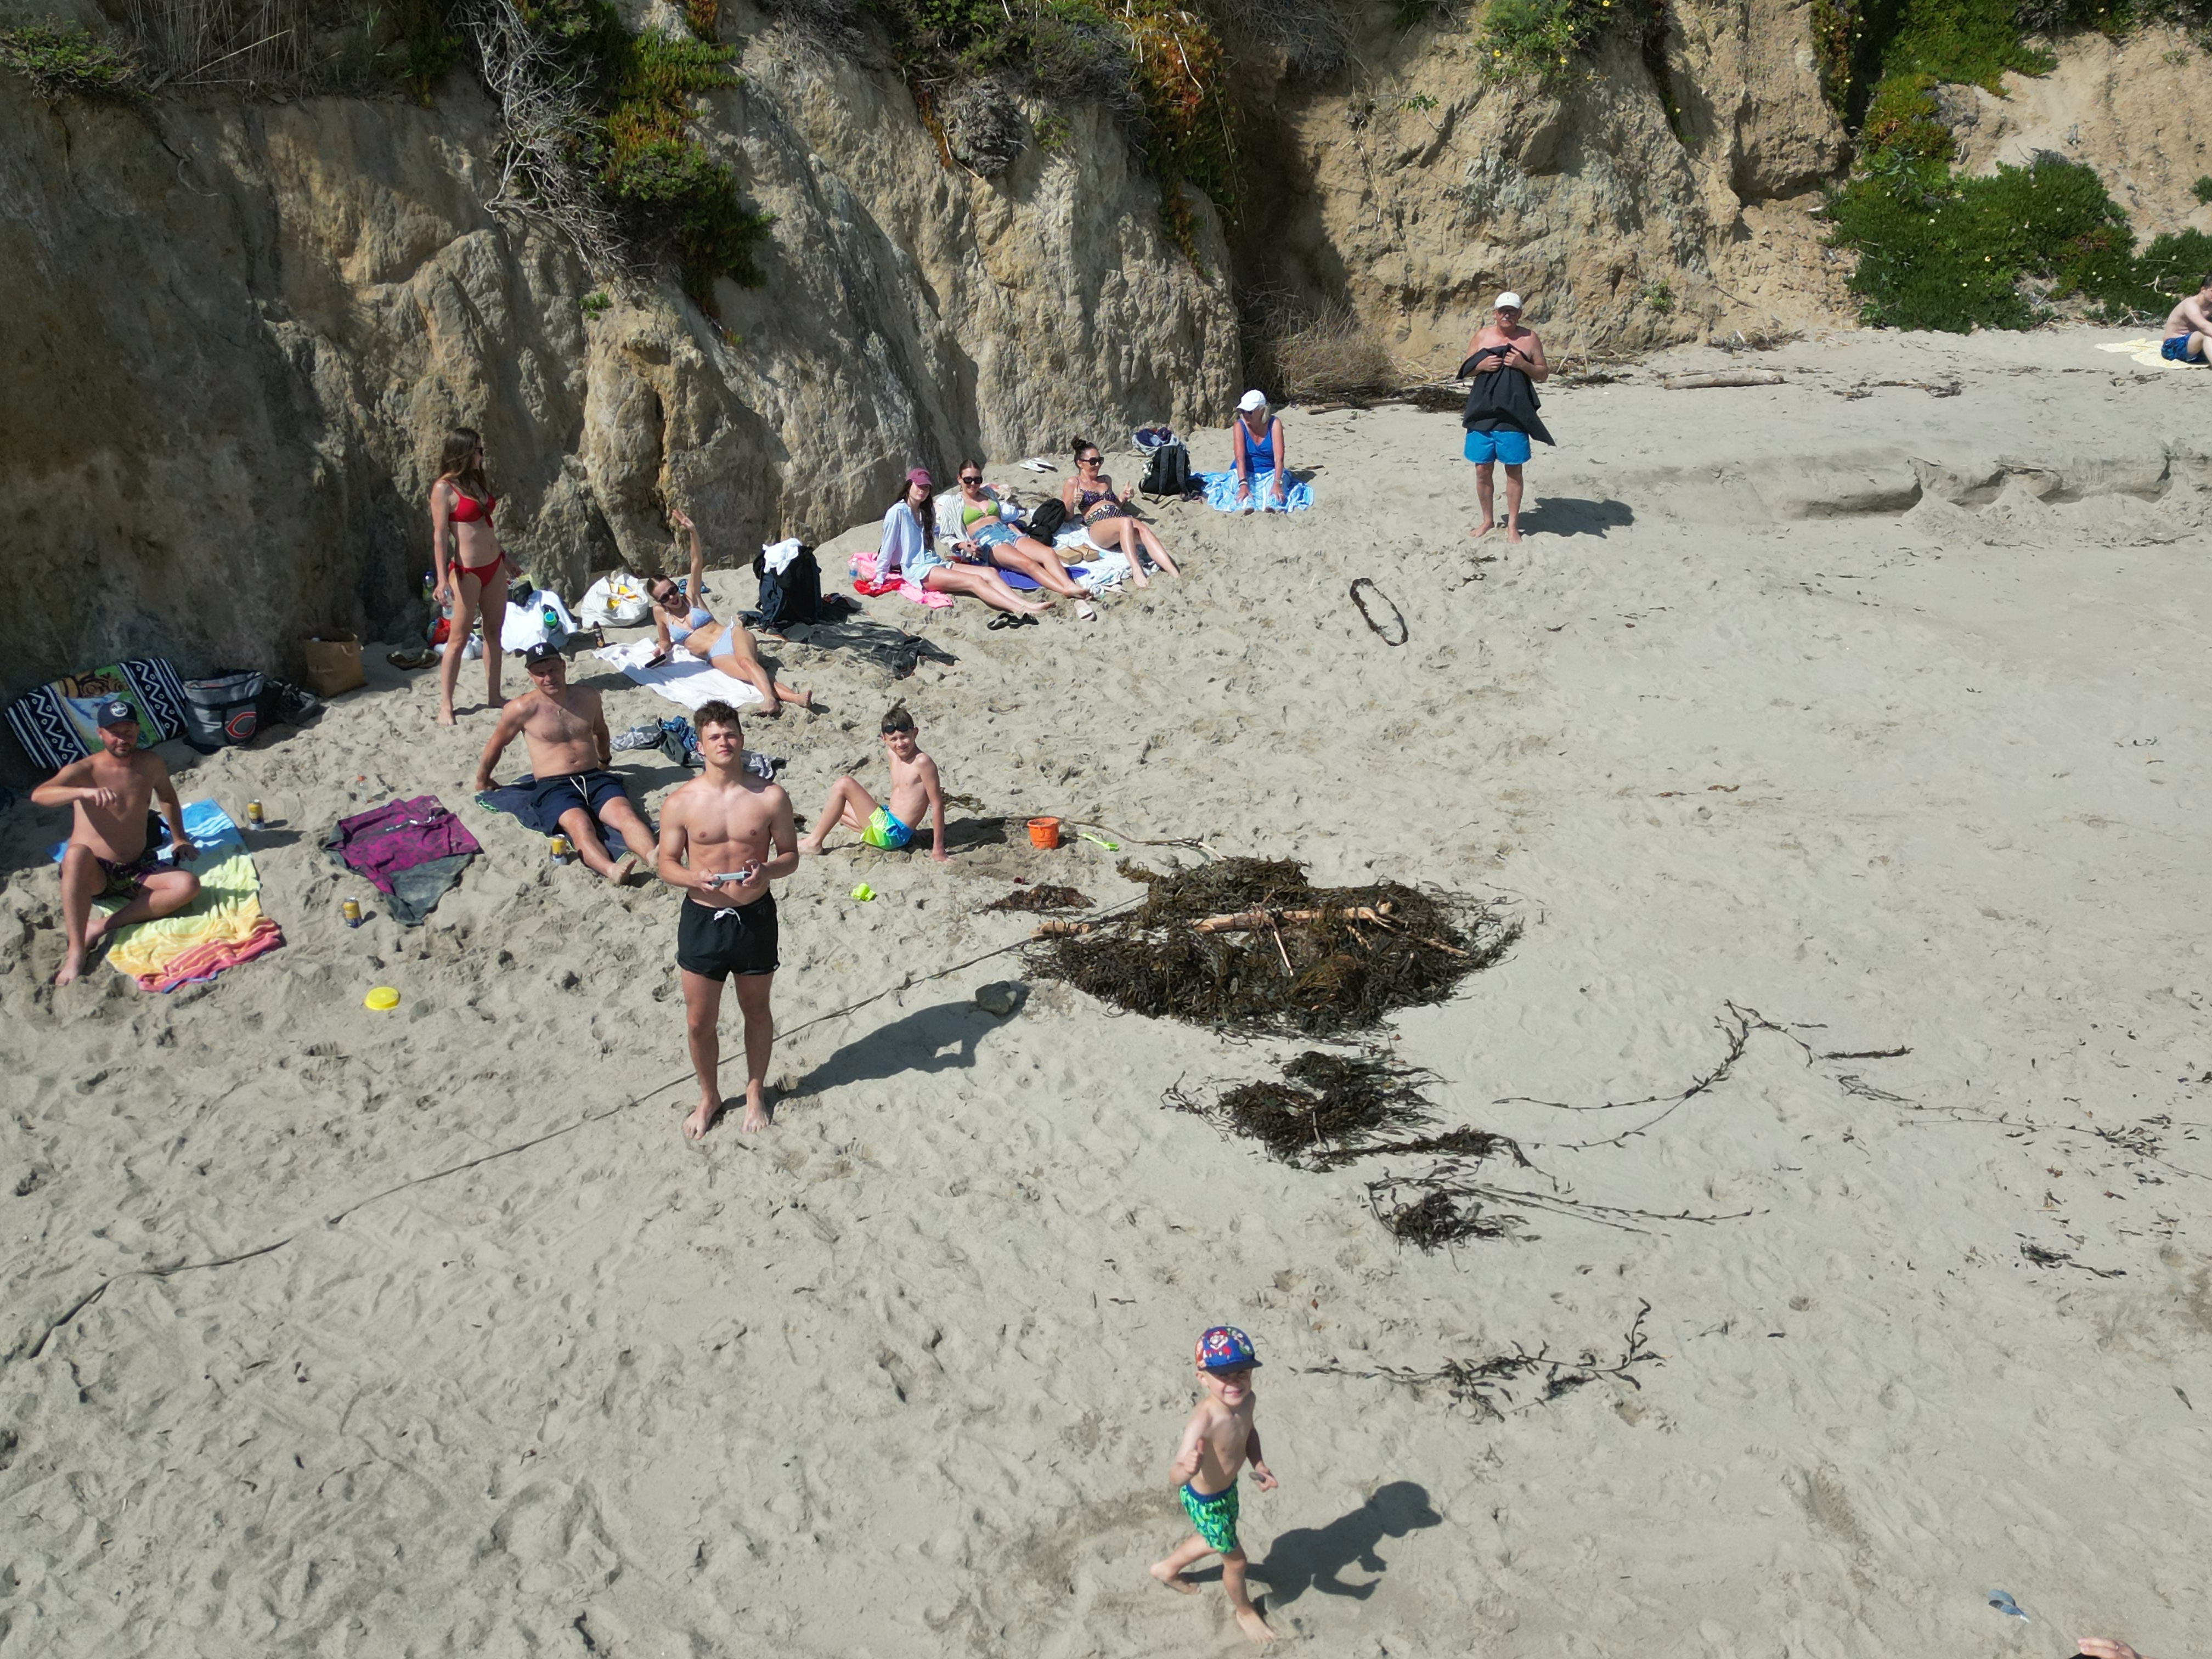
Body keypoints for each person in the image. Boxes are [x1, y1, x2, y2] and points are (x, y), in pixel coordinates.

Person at [656, 699, 799, 1138]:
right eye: (715, 736)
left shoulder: (769, 796)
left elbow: (791, 857)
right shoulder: (680, 802)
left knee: (756, 1009)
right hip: (702, 918)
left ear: (741, 738)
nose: (724, 742)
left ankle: (754, 1091)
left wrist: (767, 870)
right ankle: (710, 1096)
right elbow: (665, 863)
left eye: (731, 734)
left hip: (755, 916)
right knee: (700, 1020)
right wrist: (692, 876)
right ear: (699, 746)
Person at [33, 699, 200, 986]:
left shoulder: (150, 763)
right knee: (74, 855)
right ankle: (76, 951)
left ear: (138, 730)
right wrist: (83, 793)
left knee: (188, 886)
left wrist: (179, 838)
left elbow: (168, 798)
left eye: (129, 731)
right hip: (95, 873)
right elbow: (40, 795)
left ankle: (99, 927)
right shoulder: (85, 770)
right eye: (115, 733)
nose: (123, 738)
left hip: (136, 866)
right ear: (100, 734)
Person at [472, 642, 653, 884]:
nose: (549, 678)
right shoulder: (521, 708)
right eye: (540, 673)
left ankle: (653, 856)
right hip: (553, 785)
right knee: (580, 826)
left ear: (563, 666)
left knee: (626, 816)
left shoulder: (588, 696)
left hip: (593, 776)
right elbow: (497, 744)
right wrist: (482, 778)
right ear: (531, 676)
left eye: (553, 669)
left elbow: (600, 730)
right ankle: (611, 870)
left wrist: (605, 759)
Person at [1150, 1325, 1278, 1645]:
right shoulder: (1203, 1420)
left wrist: (1259, 1464)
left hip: (1227, 1490)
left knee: (1215, 1538)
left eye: (1243, 1373)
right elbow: (1174, 1476)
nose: (1235, 1382)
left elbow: (1249, 1433)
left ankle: (1166, 1569)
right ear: (1203, 1378)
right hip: (1204, 1499)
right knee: (1236, 1561)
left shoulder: (1248, 1401)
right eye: (1224, 1376)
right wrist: (1186, 1468)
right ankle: (1244, 1611)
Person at [644, 510, 812, 715]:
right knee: (750, 675)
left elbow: (696, 562)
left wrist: (693, 532)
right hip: (714, 654)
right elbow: (664, 641)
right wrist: (660, 651)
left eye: (672, 590)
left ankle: (769, 700)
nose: (672, 597)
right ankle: (797, 698)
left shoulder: (691, 595)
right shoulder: (660, 613)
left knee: (747, 662)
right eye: (665, 598)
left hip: (730, 635)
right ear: (658, 602)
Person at [881, 467, 1050, 624]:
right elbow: (887, 547)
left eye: (926, 487)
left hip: (933, 561)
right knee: (974, 581)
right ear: (909, 485)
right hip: (917, 569)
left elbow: (928, 545)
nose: (922, 491)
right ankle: (1019, 609)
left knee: (990, 572)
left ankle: (1025, 603)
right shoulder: (897, 512)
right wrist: (879, 578)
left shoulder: (927, 512)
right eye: (919, 486)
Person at [429, 426, 512, 725]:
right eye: (478, 450)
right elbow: (439, 536)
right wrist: (441, 579)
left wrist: (506, 558)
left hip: (494, 566)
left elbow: (486, 529)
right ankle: (446, 705)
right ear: (464, 452)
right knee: (458, 638)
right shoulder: (444, 489)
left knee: (494, 633)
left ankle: (494, 695)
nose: (482, 455)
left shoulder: (476, 481)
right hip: (467, 571)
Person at [797, 703, 948, 862]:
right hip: (890, 821)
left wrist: (938, 849)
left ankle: (814, 843)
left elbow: (937, 804)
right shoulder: (893, 755)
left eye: (905, 737)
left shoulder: (922, 762)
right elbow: (908, 798)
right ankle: (871, 835)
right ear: (884, 739)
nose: (900, 744)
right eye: (894, 739)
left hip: (893, 832)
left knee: (844, 784)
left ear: (915, 733)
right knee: (836, 809)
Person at [944, 461, 1098, 618]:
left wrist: (1010, 525)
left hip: (1006, 531)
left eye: (977, 480)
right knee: (1027, 564)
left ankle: (1069, 585)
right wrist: (964, 544)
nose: (973, 484)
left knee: (1048, 553)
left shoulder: (988, 493)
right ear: (959, 479)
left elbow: (999, 517)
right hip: (987, 540)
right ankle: (1064, 590)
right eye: (968, 480)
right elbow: (946, 536)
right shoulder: (953, 503)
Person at [1460, 291, 1553, 544]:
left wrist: (1523, 365)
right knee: (1482, 470)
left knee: (1514, 471)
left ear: (1520, 314)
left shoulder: (1529, 338)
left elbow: (1543, 373)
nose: (1507, 315)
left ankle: (1513, 526)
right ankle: (1488, 520)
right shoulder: (1482, 336)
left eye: (1512, 311)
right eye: (1502, 310)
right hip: (1482, 412)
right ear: (1495, 313)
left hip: (1514, 414)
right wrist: (1481, 366)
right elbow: (1465, 367)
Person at [1062, 439, 1181, 583]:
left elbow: (1115, 505)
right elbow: (1068, 517)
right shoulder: (1074, 482)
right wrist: (1073, 503)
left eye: (1100, 460)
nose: (1098, 465)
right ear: (1080, 463)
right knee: (1126, 522)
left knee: (1144, 530)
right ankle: (1137, 570)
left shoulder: (1105, 480)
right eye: (1093, 461)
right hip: (1098, 524)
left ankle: (1174, 572)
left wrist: (1123, 497)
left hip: (1118, 517)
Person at [1230, 391, 1289, 512]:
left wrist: (1277, 482)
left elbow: (1279, 458)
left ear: (1262, 410)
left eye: (1250, 411)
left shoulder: (1274, 424)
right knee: (1242, 496)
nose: (1246, 415)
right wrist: (1243, 484)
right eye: (1243, 411)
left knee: (1276, 497)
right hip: (1245, 471)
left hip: (1270, 471)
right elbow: (1239, 458)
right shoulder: (1239, 426)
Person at [2160, 272, 2212, 364]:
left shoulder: (2210, 305)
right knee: (2205, 333)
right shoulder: (2190, 304)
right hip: (2173, 347)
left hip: (2195, 346)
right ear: (2203, 290)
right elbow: (2204, 326)